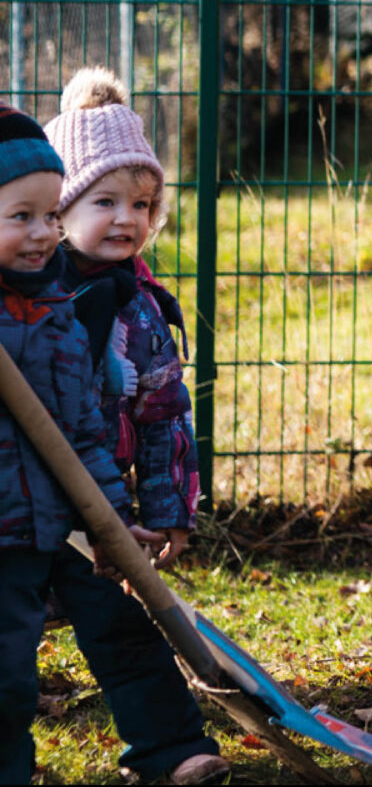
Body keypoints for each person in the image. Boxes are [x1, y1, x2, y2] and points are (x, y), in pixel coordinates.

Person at [0, 107, 224, 786]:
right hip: (7, 525)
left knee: (125, 627)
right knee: (6, 669)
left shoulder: (64, 314)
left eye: (47, 217)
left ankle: (171, 748)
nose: (41, 233)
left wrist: (124, 515)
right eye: (22, 217)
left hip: (78, 514)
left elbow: (106, 428)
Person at [44, 70, 198, 562]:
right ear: (59, 211)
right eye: (105, 201)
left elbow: (164, 416)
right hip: (21, 506)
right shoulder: (28, 299)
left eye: (141, 204)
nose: (127, 218)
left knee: (110, 609)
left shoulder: (141, 310)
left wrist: (167, 510)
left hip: (105, 509)